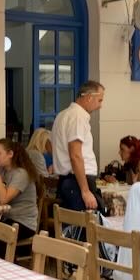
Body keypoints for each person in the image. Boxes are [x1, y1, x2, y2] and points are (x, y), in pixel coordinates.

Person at [51, 81, 105, 211]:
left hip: (68, 180)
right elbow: (75, 155)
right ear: (89, 97)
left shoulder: (62, 115)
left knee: (71, 221)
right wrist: (85, 191)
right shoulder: (77, 116)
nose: (100, 106)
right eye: (99, 100)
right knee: (85, 222)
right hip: (77, 181)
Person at [0, 139, 40, 240]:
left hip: (23, 223)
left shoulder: (21, 174)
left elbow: (3, 200)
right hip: (6, 218)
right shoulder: (2, 169)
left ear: (10, 154)